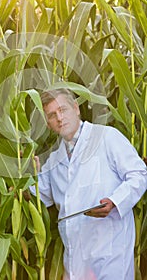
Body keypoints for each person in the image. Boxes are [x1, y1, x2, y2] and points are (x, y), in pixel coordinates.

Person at [30, 87, 147, 280]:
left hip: (110, 257)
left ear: (76, 108)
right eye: (52, 115)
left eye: (63, 110)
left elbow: (139, 173)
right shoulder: (53, 161)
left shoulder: (107, 137)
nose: (59, 118)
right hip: (75, 262)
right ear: (48, 124)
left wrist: (115, 201)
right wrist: (23, 174)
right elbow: (37, 195)